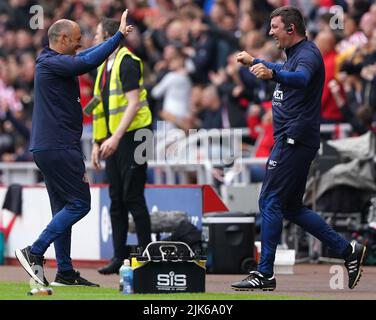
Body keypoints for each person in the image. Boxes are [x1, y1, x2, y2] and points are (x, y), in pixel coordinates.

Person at [231, 6, 366, 291]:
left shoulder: (308, 54)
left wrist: (271, 75)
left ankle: (264, 273)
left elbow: (301, 78)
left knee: (269, 201)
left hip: (294, 138)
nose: (270, 32)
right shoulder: (295, 55)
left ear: (291, 29)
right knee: (290, 207)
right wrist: (256, 61)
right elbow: (283, 70)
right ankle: (347, 250)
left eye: (275, 27)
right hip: (292, 139)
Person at [15, 10, 133, 287]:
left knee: (63, 209)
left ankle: (65, 272)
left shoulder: (50, 61)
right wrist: (118, 36)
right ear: (64, 38)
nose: (80, 45)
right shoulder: (51, 61)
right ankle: (34, 251)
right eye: (77, 40)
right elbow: (87, 61)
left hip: (49, 147)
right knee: (80, 204)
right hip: (58, 146)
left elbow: (83, 58)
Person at [91, 18, 152, 275]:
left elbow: (134, 104)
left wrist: (114, 138)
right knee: (116, 198)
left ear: (109, 38)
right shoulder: (103, 67)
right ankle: (119, 257)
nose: (94, 40)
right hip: (114, 137)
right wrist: (97, 142)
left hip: (138, 135)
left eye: (97, 35)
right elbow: (97, 106)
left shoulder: (128, 62)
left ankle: (147, 256)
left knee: (133, 196)